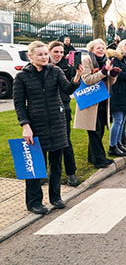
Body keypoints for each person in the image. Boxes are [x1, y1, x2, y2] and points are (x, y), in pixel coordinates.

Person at [15, 42, 82, 214]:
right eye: (40, 55)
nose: (45, 57)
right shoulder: (22, 77)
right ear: (31, 56)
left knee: (56, 163)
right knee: (36, 166)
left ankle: (55, 197)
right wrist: (25, 126)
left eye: (46, 54)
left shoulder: (55, 71)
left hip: (56, 123)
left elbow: (66, 89)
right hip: (35, 125)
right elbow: (19, 104)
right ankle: (34, 202)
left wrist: (75, 80)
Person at [74, 39, 121, 168]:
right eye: (98, 48)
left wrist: (113, 75)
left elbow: (109, 83)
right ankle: (99, 160)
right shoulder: (87, 61)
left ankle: (92, 157)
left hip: (102, 100)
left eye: (102, 48)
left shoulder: (106, 61)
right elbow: (88, 80)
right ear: (92, 50)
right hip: (90, 100)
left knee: (99, 130)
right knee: (94, 130)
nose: (101, 50)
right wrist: (104, 72)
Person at [48, 41, 79, 186]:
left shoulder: (66, 67)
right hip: (46, 108)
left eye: (61, 52)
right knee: (44, 142)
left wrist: (77, 75)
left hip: (63, 106)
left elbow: (70, 85)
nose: (59, 55)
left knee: (66, 141)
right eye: (56, 52)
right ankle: (44, 173)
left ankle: (71, 173)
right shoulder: (44, 67)